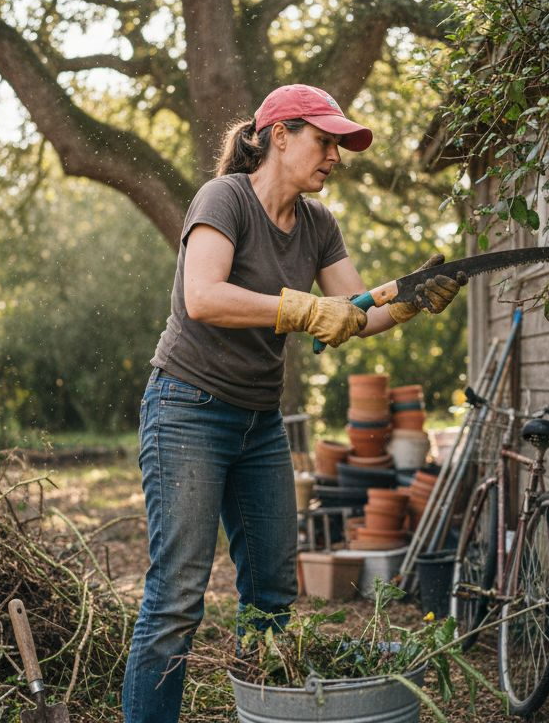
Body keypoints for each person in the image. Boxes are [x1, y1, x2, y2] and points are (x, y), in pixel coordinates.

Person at [121, 83, 460, 722]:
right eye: (325, 140)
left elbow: (355, 313)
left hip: (258, 423)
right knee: (177, 599)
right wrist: (297, 307)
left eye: (340, 144)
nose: (335, 155)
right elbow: (203, 296)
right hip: (187, 409)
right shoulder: (224, 199)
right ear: (281, 135)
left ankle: (265, 711)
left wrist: (410, 301)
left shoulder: (317, 224)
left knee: (274, 595)